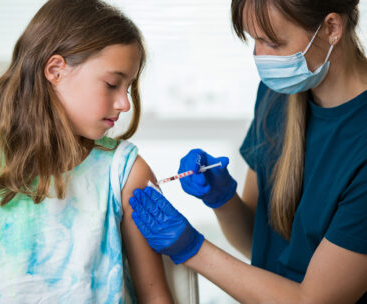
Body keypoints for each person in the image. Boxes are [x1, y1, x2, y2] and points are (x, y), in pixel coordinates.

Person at [0, 0, 173, 303]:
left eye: (128, 87)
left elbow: (155, 298)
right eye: (112, 84)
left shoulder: (124, 173)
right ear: (55, 70)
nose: (125, 103)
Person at [129, 0, 367, 303]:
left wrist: (191, 248)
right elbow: (258, 244)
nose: (259, 56)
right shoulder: (277, 94)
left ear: (332, 28)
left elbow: (313, 300)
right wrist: (223, 199)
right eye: (253, 39)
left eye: (272, 42)